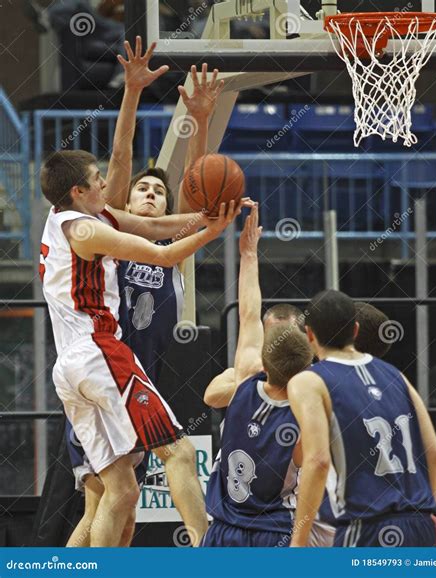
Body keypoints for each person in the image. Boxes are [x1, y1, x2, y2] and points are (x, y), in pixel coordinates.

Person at [63, 41, 227, 547]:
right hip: (105, 370)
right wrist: (132, 93)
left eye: (159, 191)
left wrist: (201, 119)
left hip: (135, 378)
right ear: (124, 202)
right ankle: (208, 548)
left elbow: (201, 194)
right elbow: (120, 155)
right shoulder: (108, 230)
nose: (152, 194)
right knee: (104, 498)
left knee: (119, 508)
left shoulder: (173, 239)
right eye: (142, 190)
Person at [39, 142, 242, 547]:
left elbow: (152, 227)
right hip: (101, 354)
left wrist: (203, 217)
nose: (105, 184)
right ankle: (211, 558)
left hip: (71, 369)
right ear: (78, 191)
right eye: (96, 180)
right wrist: (214, 232)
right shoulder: (86, 228)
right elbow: (161, 255)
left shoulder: (60, 216)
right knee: (180, 455)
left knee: (120, 494)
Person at [286, 290, 436, 547]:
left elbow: (317, 461)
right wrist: (423, 511)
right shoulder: (396, 376)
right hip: (419, 524)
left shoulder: (309, 381)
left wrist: (298, 542)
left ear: (310, 335)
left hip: (364, 527)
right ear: (356, 330)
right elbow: (435, 455)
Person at [202, 206, 313, 546]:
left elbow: (248, 312)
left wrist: (248, 253)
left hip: (225, 529)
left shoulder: (246, 376)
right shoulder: (311, 403)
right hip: (274, 531)